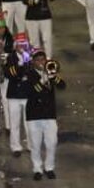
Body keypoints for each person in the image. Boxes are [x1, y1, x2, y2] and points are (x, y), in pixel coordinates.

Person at [26, 47, 65, 180]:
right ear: (33, 62)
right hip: (34, 114)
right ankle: (37, 168)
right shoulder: (29, 74)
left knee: (52, 142)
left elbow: (63, 86)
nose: (41, 62)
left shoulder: (50, 71)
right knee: (35, 145)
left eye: (43, 59)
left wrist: (54, 77)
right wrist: (43, 80)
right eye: (38, 60)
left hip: (49, 114)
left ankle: (49, 167)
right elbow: (32, 90)